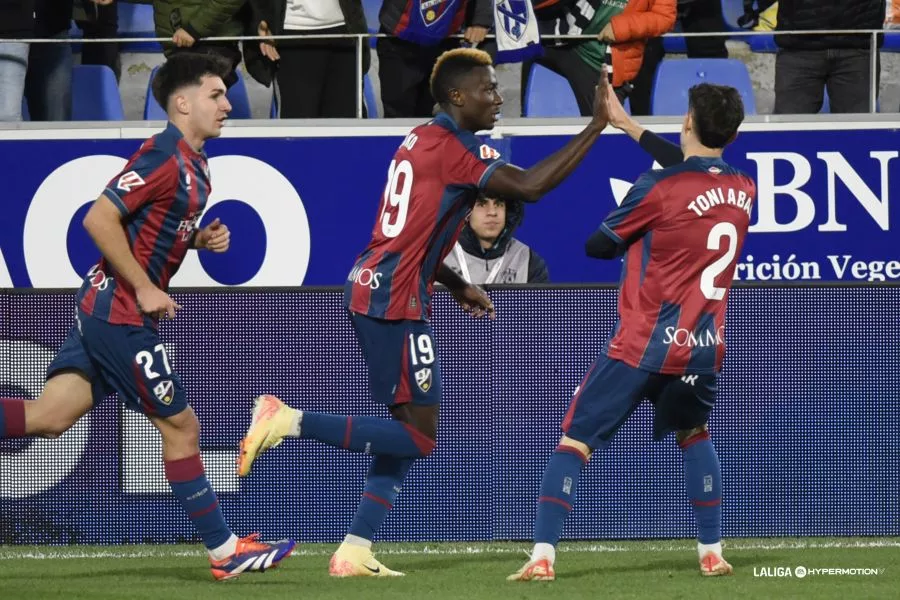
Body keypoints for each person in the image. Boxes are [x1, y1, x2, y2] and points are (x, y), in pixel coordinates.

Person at [236, 47, 611, 577]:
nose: (497, 97)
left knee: (409, 426)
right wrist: (596, 125)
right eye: (488, 89)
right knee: (419, 434)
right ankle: (287, 419)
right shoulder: (454, 150)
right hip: (393, 297)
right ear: (457, 97)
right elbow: (531, 187)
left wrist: (455, 283)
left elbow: (415, 232)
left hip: (391, 287)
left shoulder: (422, 138)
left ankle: (355, 549)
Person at [0, 53, 295, 581]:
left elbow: (152, 228)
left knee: (49, 418)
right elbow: (98, 217)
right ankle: (225, 551)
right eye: (215, 95)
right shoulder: (162, 157)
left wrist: (199, 239)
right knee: (182, 426)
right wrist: (144, 286)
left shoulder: (196, 163)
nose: (228, 104)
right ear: (182, 103)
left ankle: (225, 548)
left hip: (105, 308)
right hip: (120, 313)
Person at [508, 82, 755, 581]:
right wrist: (628, 126)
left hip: (642, 343)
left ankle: (542, 557)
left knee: (575, 440)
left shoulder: (657, 189)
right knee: (693, 433)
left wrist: (640, 226)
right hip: (702, 347)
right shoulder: (745, 188)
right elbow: (696, 171)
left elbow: (597, 245)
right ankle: (712, 551)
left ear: (687, 121)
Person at [443, 194, 550, 284]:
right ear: (466, 211)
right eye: (481, 204)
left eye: (499, 204)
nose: (492, 212)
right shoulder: (437, 256)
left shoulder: (528, 260)